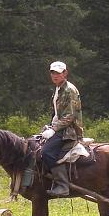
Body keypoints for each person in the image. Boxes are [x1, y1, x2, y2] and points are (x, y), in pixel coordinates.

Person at [41, 60, 83, 197]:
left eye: (58, 73)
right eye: (53, 73)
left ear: (65, 73)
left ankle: (63, 185)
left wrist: (53, 129)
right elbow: (57, 114)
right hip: (60, 128)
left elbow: (70, 116)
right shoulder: (58, 89)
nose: (55, 76)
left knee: (46, 152)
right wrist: (50, 127)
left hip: (69, 131)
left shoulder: (69, 90)